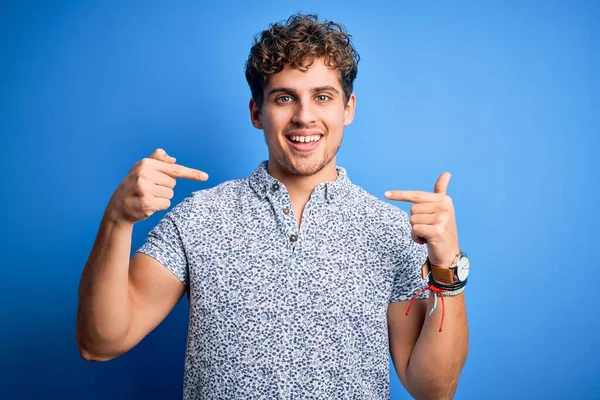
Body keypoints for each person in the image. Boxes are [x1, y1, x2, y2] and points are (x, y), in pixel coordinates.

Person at [76, 13, 469, 399]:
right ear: (256, 113)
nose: (304, 116)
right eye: (284, 98)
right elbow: (100, 342)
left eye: (322, 97)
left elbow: (434, 390)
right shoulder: (199, 218)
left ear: (347, 109)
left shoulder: (391, 230)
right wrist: (118, 219)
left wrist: (447, 263)